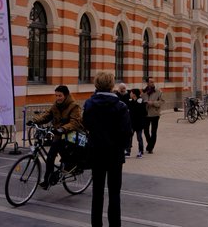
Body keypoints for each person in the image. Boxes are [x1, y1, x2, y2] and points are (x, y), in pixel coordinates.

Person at [82, 72, 131, 227]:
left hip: (96, 152)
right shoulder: (120, 106)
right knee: (114, 193)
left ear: (96, 84)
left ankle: (96, 225)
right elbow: (126, 132)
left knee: (97, 193)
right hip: (115, 154)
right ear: (112, 85)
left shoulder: (89, 103)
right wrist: (123, 147)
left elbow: (86, 125)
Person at [29, 84, 83, 188]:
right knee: (50, 157)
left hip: (69, 136)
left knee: (64, 157)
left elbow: (74, 122)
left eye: (60, 96)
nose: (57, 98)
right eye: (56, 95)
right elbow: (47, 115)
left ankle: (69, 167)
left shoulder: (74, 106)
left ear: (66, 95)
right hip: (58, 135)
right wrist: (34, 121)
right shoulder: (56, 105)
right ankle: (47, 180)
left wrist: (62, 129)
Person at [143, 79, 164, 152]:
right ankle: (150, 144)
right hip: (146, 114)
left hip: (155, 114)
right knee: (145, 131)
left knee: (153, 131)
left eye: (153, 82)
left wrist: (153, 103)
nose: (153, 83)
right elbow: (141, 101)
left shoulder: (158, 91)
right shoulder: (144, 92)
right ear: (147, 83)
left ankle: (150, 148)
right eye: (151, 82)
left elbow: (162, 101)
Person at [127, 89, 147, 158]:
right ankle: (128, 151)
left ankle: (140, 151)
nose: (130, 94)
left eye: (131, 93)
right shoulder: (130, 101)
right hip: (131, 123)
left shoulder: (141, 101)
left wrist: (138, 104)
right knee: (129, 137)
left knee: (139, 138)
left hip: (139, 123)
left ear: (134, 94)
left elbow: (144, 112)